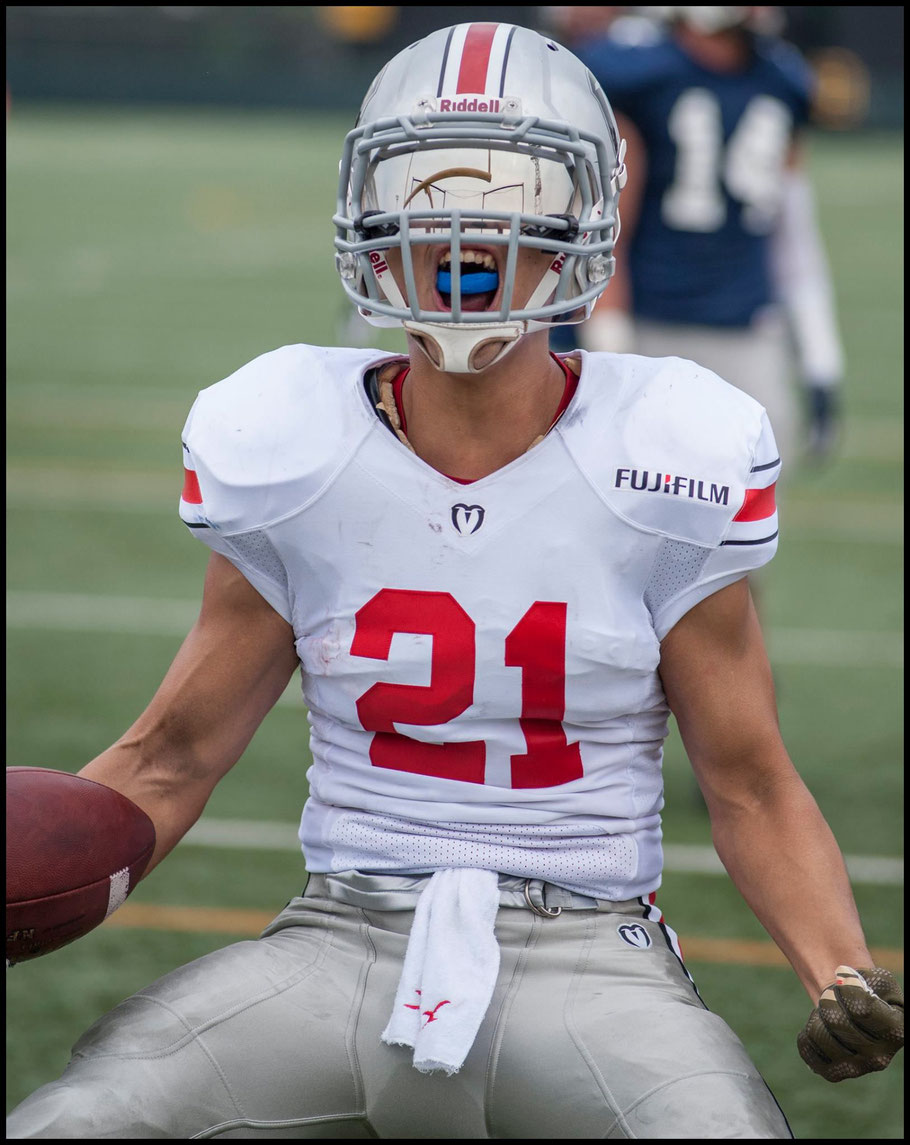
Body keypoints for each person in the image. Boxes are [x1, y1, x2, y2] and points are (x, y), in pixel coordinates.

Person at [6, 21, 902, 1140]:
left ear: (582, 213)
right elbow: (170, 755)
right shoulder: (291, 443)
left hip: (590, 950)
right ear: (364, 205)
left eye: (508, 192)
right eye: (418, 189)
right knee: (77, 1116)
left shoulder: (667, 452)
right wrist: (41, 867)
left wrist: (838, 969)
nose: (457, 227)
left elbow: (751, 783)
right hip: (341, 933)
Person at [551, 6, 845, 468]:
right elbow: (606, 234)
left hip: (747, 330)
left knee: (747, 521)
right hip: (649, 328)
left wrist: (821, 359)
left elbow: (792, 235)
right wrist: (612, 359)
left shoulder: (782, 79)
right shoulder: (635, 74)